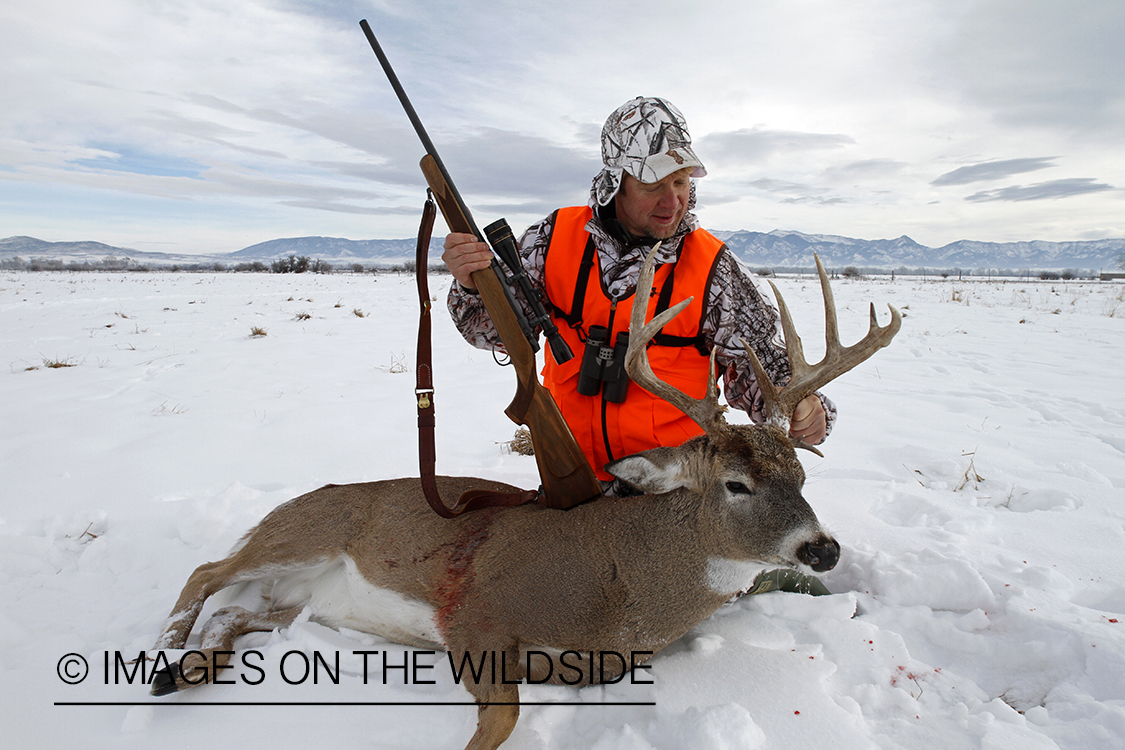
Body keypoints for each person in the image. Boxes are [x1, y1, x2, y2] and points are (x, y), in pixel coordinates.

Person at [443, 96, 834, 497]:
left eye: (681, 182)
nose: (672, 202)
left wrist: (801, 405)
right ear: (616, 184)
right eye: (653, 185)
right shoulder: (554, 238)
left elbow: (760, 363)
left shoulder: (712, 266)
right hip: (570, 473)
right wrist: (472, 285)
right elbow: (493, 332)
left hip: (676, 489)